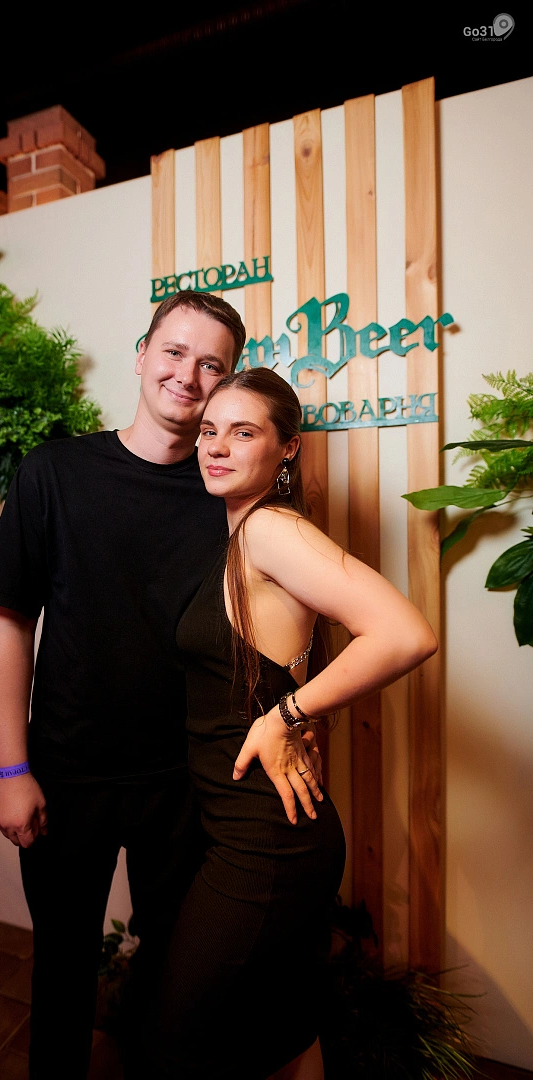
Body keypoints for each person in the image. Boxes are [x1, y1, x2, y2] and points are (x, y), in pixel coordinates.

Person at [0, 294, 324, 1079]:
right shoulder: (54, 472)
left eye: (212, 365)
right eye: (173, 352)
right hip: (66, 775)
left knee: (172, 982)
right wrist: (10, 768)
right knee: (62, 972)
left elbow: (283, 620)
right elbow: (10, 625)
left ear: (228, 381)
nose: (187, 376)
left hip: (188, 783)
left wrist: (294, 720)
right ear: (141, 354)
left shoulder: (229, 490)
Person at [142, 366, 438, 1080]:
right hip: (257, 827)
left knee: (176, 1044)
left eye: (243, 432)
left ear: (288, 448)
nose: (217, 446)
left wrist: (287, 715)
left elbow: (405, 633)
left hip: (265, 843)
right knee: (281, 1034)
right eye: (209, 430)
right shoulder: (242, 536)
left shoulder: (270, 531)